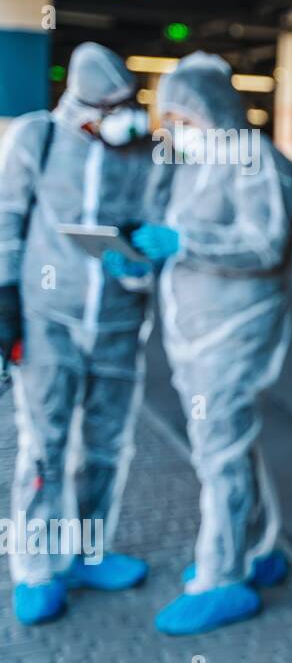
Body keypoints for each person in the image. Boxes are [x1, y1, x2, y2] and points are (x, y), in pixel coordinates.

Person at [130, 52, 292, 635]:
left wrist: (184, 239)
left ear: (213, 110)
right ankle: (259, 548)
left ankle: (221, 576)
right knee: (232, 445)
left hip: (235, 332)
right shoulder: (192, 166)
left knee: (220, 450)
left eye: (183, 117)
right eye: (169, 118)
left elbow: (265, 245)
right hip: (194, 335)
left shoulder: (259, 163)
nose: (175, 129)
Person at [0, 42, 161, 626]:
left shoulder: (143, 154)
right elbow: (6, 218)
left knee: (106, 447)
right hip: (49, 321)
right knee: (43, 446)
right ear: (81, 102)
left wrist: (141, 261)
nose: (121, 116)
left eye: (128, 103)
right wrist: (5, 303)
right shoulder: (37, 138)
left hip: (119, 323)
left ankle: (86, 552)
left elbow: (160, 228)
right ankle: (35, 568)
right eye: (109, 106)